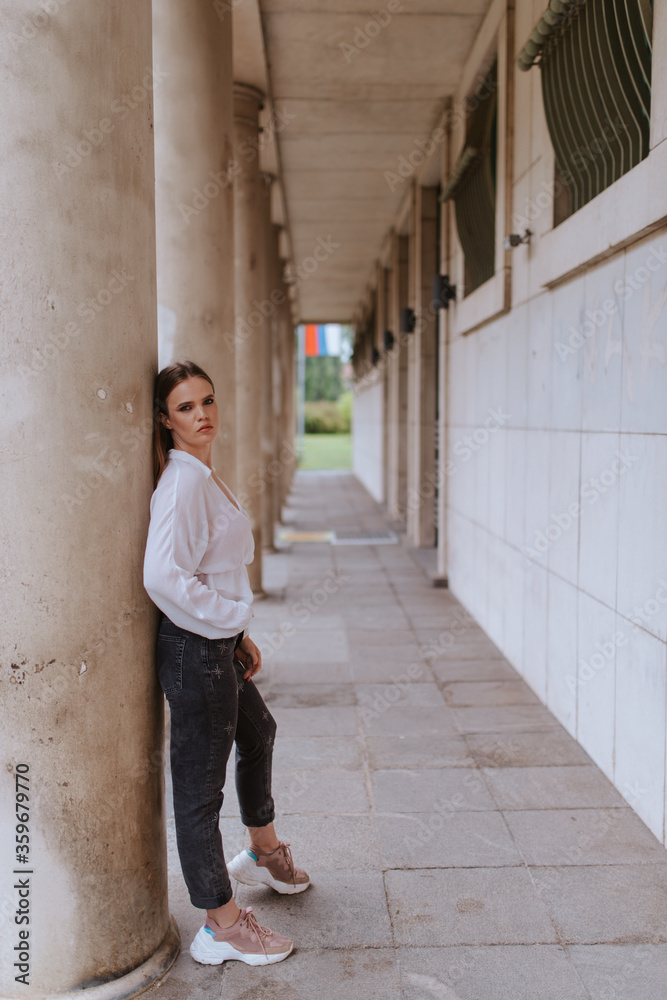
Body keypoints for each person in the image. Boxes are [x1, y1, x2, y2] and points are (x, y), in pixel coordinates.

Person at [143, 359, 309, 968]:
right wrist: (228, 622)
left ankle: (262, 851)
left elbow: (214, 566)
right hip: (195, 651)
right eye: (186, 407)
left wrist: (236, 631)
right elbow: (163, 577)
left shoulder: (203, 474)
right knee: (197, 794)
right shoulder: (183, 482)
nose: (203, 414)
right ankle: (220, 924)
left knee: (259, 730)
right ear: (165, 420)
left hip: (216, 644)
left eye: (207, 401)